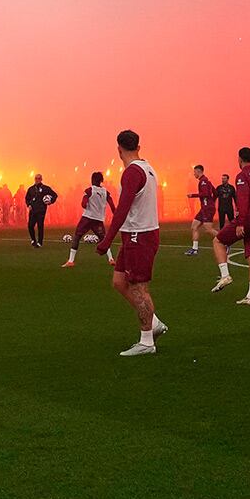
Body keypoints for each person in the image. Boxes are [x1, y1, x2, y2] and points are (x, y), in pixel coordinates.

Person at [94, 130, 168, 356]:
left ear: (119, 149)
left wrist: (106, 240)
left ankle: (147, 341)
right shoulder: (147, 167)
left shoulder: (132, 173)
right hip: (134, 234)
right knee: (119, 281)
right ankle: (153, 322)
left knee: (138, 287)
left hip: (140, 235)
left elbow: (122, 210)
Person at [214, 146, 250, 303]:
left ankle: (225, 275)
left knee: (218, 241)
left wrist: (240, 223)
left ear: (239, 159)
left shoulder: (242, 176)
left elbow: (242, 201)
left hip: (247, 222)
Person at [64, 172, 111, 265]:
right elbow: (112, 206)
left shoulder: (89, 190)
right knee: (103, 239)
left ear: (92, 180)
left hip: (88, 218)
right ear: (101, 180)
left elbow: (83, 204)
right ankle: (111, 259)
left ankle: (71, 261)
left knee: (77, 236)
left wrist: (87, 204)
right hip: (99, 219)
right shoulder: (106, 192)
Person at [185, 165, 216, 257]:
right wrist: (212, 201)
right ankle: (195, 249)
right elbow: (215, 193)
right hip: (204, 208)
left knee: (209, 229)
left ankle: (226, 242)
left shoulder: (203, 182)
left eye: (194, 172)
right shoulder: (207, 181)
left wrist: (193, 195)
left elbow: (205, 194)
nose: (194, 174)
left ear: (198, 171)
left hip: (207, 209)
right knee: (194, 226)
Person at [24, 173, 58, 248]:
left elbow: (55, 195)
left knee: (40, 226)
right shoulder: (31, 189)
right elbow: (27, 198)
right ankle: (33, 239)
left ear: (41, 179)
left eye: (39, 178)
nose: (37, 180)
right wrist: (28, 205)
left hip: (41, 210)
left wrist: (51, 201)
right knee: (30, 225)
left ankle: (40, 242)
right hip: (33, 210)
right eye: (36, 178)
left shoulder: (46, 188)